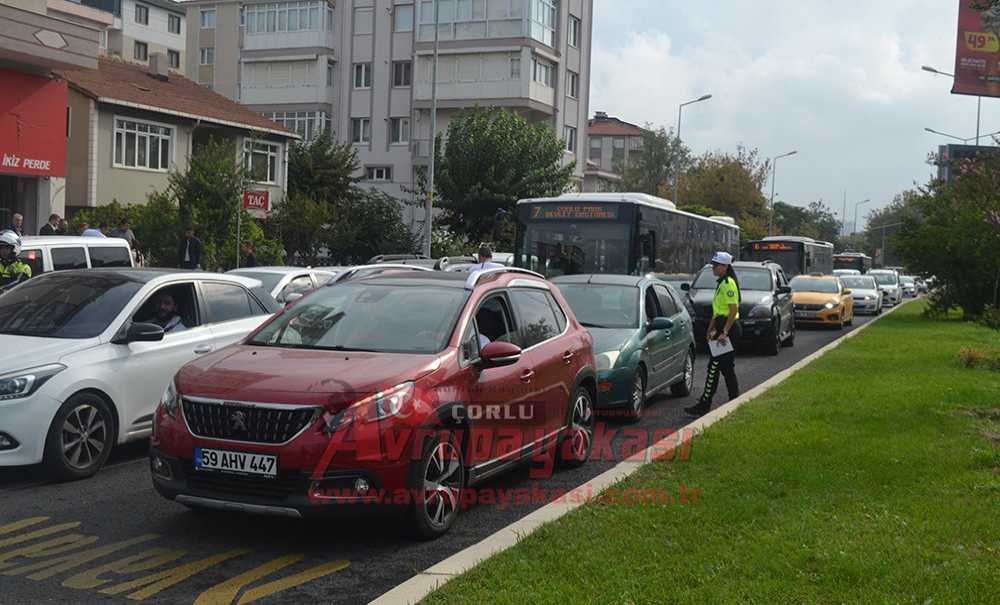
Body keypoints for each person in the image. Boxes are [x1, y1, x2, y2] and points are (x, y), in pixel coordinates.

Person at [685, 251, 741, 416]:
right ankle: (734, 400)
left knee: (715, 367)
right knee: (724, 368)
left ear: (725, 266)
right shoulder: (721, 283)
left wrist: (724, 332)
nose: (713, 268)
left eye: (716, 265)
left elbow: (733, 311)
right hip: (721, 326)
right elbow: (718, 312)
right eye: (713, 265)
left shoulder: (728, 283)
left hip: (729, 329)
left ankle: (706, 403)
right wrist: (710, 329)